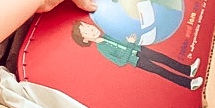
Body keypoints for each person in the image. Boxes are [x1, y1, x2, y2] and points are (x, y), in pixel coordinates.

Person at [72, 20, 203, 90]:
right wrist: (129, 45)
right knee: (161, 70)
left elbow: (123, 38)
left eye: (88, 26)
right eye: (87, 32)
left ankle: (188, 70)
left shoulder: (107, 34)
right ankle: (189, 83)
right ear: (85, 40)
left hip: (139, 48)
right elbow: (121, 62)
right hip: (137, 61)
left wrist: (131, 39)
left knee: (163, 58)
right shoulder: (102, 48)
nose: (91, 29)